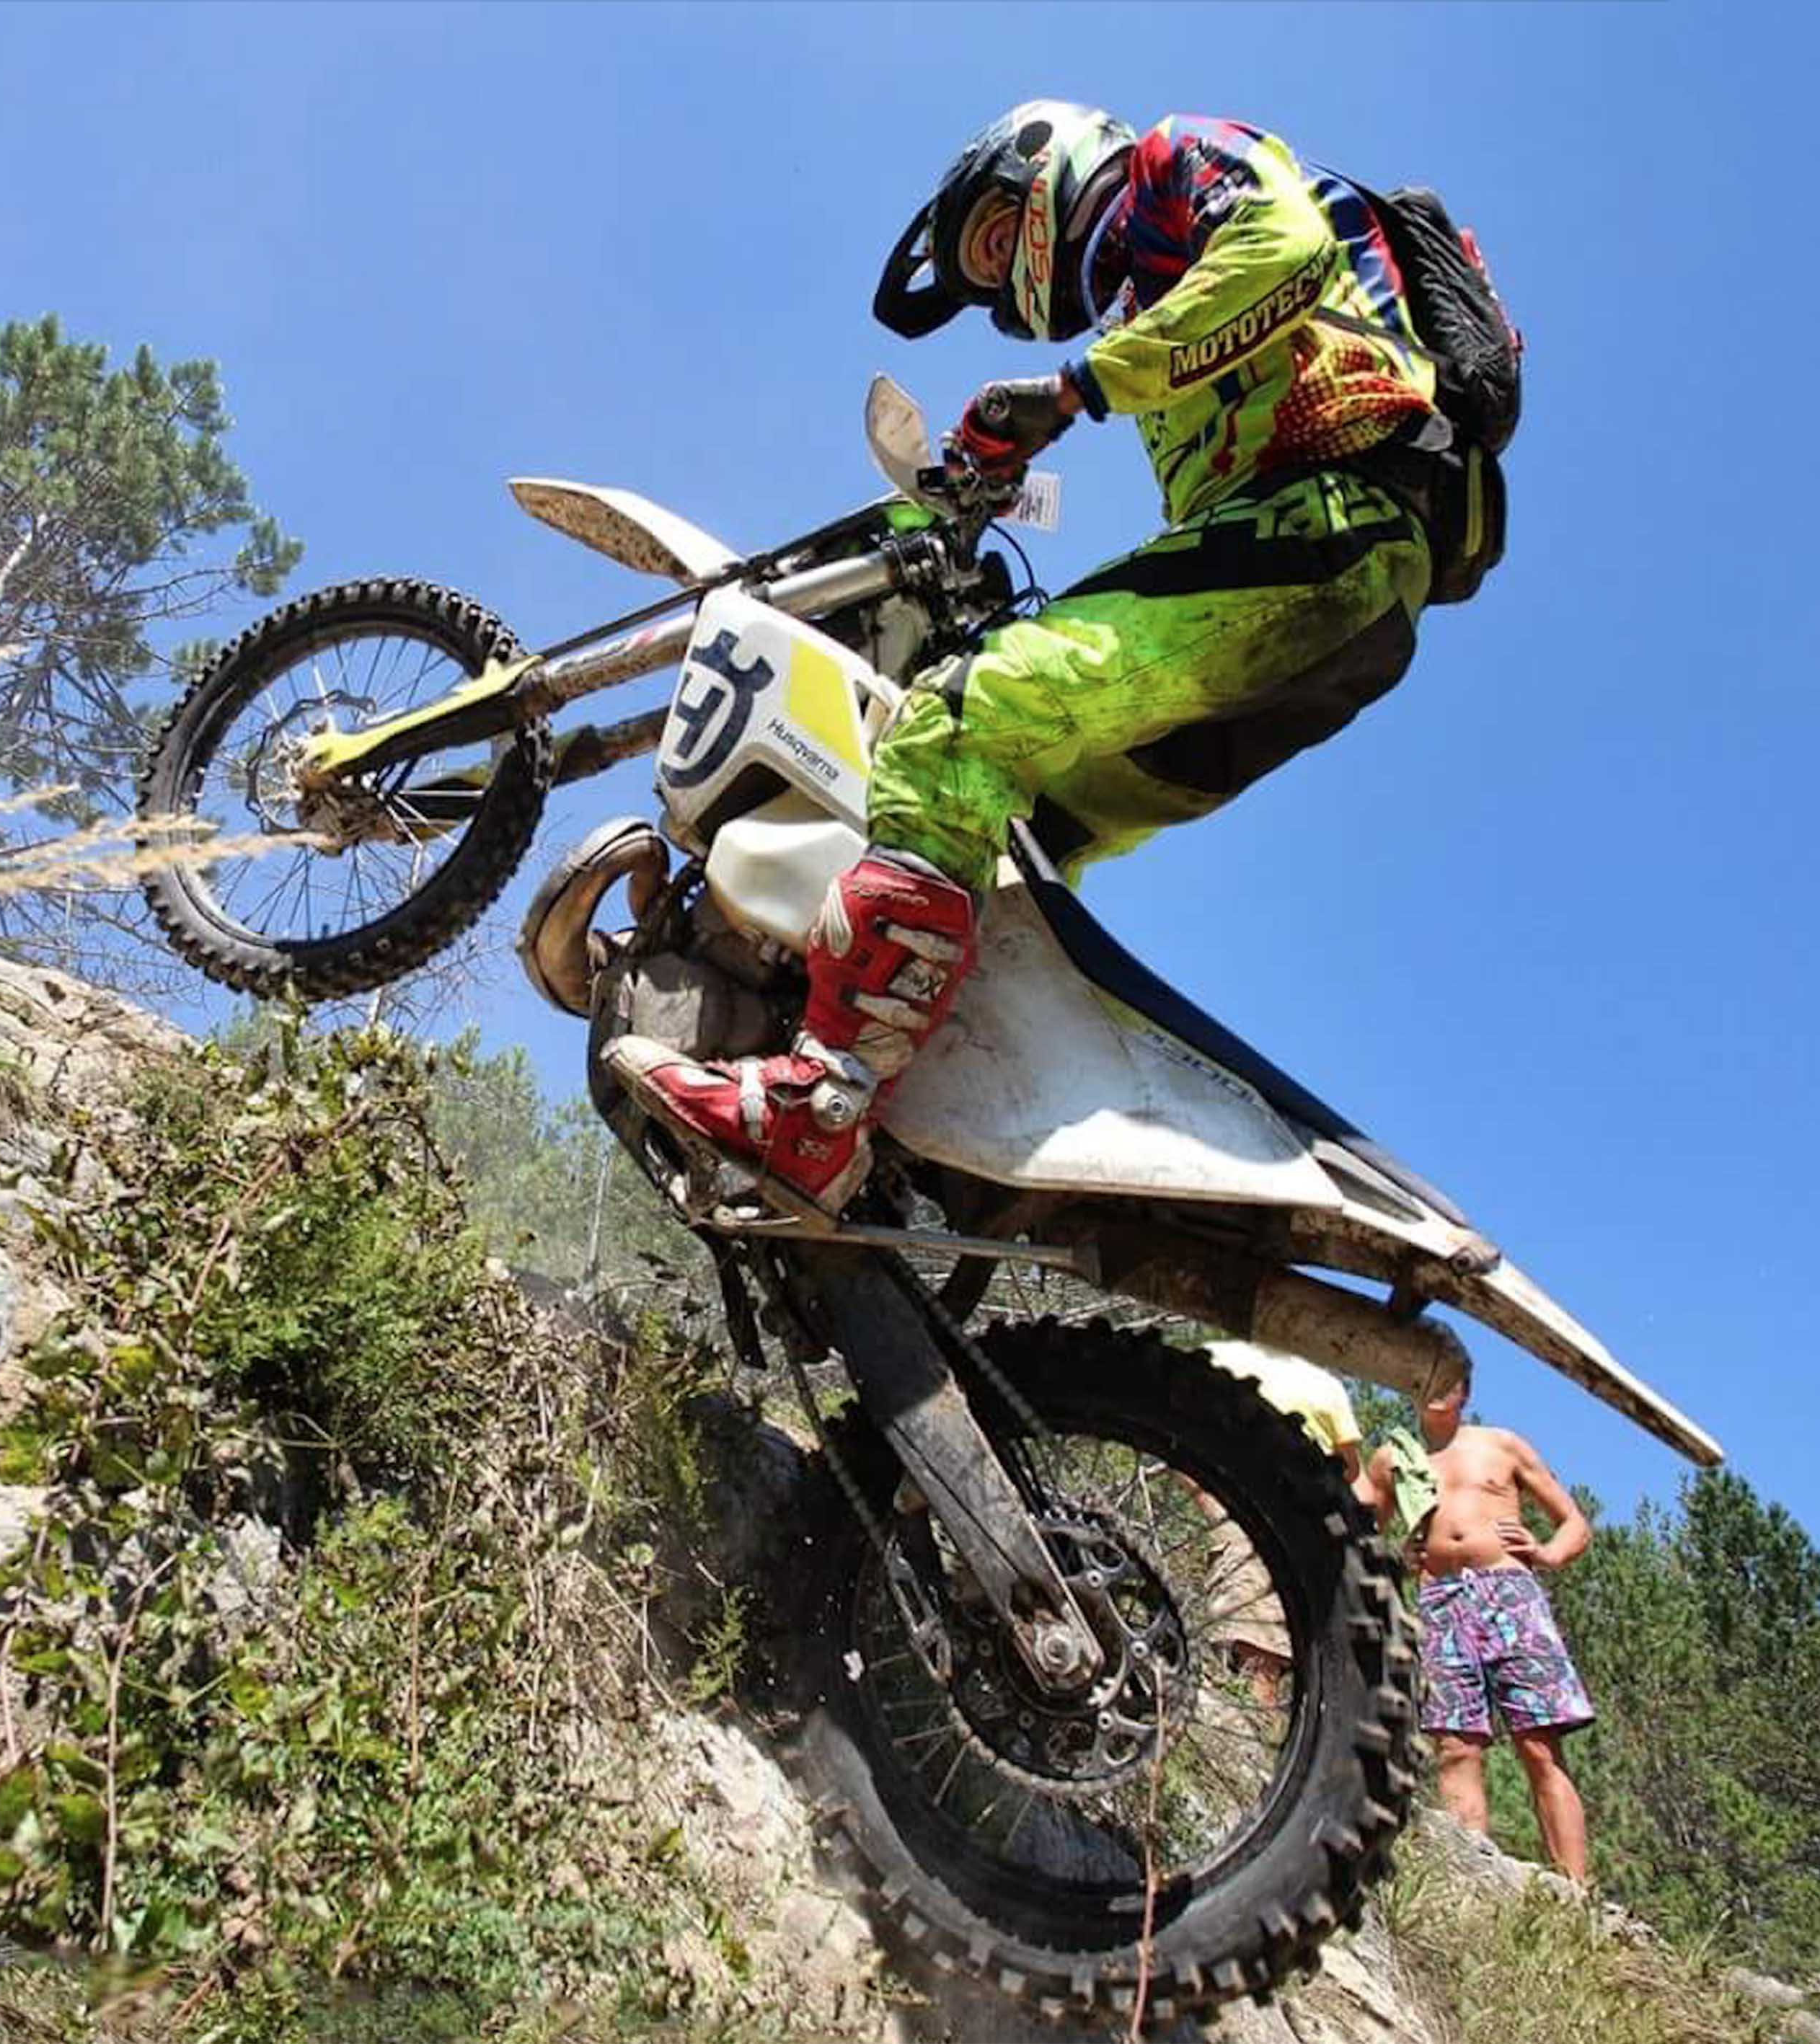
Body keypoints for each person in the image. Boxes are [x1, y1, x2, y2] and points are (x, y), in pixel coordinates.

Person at [609, 102, 1453, 1216]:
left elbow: (1283, 254)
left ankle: (816, 1113)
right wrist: (989, 475)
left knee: (950, 727)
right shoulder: (1158, 315)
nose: (1010, 284)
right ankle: (936, 1159)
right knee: (1014, 848)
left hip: (1328, 529)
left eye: (1000, 244)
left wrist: (1069, 393)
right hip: (1328, 615)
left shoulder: (1174, 160)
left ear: (1044, 164)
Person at [1366, 1363, 1597, 1884]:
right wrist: (1397, 1555)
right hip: (1441, 1599)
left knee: (1538, 1742)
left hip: (1508, 1593)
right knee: (1456, 1746)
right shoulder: (1394, 1458)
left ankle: (1576, 1890)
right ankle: (1471, 1882)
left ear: (1466, 1391)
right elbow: (1359, 1527)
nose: (1437, 1389)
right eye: (1428, 1377)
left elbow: (1574, 1522)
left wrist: (1548, 1553)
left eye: (1448, 1380)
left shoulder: (1501, 1445)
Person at [1196, 1341, 1365, 1712]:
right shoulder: (1222, 1356)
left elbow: (1349, 1471)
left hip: (1296, 1531)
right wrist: (1210, 1501)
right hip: (1251, 1517)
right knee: (1249, 1645)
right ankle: (1237, 1740)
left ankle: (1245, 1740)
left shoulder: (1326, 1385)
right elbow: (1349, 1474)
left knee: (1269, 1651)